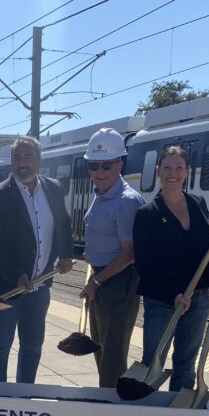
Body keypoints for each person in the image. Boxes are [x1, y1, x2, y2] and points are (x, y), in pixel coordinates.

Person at [132, 145, 209, 392]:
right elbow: (144, 265)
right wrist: (173, 295)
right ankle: (147, 413)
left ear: (187, 172)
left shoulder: (196, 203)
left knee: (186, 363)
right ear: (158, 171)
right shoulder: (147, 214)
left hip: (198, 296)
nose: (174, 173)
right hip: (161, 302)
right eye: (167, 167)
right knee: (153, 362)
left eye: (179, 167)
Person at [0, 135, 74, 383]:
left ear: (39, 161)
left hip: (41, 288)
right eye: (16, 158)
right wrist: (16, 273)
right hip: (6, 289)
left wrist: (66, 254)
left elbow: (63, 224)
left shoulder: (54, 188)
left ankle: (24, 394)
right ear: (11, 163)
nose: (22, 163)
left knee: (32, 347)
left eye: (28, 157)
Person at [78, 127, 144, 388]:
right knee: (101, 347)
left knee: (113, 354)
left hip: (118, 281)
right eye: (93, 166)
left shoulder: (127, 200)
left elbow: (128, 254)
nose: (99, 172)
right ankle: (108, 399)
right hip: (103, 278)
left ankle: (113, 406)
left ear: (120, 164)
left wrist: (97, 281)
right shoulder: (101, 194)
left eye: (106, 165)